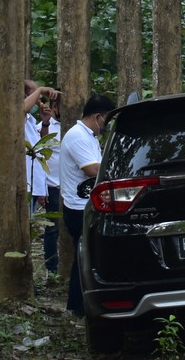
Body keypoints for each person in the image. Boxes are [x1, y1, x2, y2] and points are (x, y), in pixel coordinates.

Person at [58, 94, 116, 316]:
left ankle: (79, 305)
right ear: (97, 116)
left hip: (87, 204)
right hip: (79, 208)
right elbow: (92, 170)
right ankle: (79, 307)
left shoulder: (88, 136)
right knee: (83, 258)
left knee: (85, 257)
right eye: (106, 120)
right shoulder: (78, 138)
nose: (106, 125)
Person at [24, 90, 62, 279]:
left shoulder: (77, 127)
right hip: (52, 185)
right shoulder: (41, 124)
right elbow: (40, 149)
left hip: (72, 187)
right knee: (52, 228)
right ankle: (51, 269)